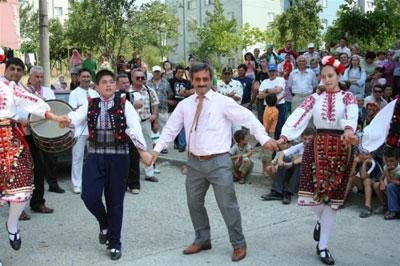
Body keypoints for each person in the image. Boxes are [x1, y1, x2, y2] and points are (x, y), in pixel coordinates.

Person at [151, 63, 278, 262]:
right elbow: (170, 130)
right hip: (194, 163)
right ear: (192, 80)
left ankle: (238, 243)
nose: (201, 83)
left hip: (219, 162)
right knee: (194, 202)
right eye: (197, 80)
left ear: (211, 80)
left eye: (205, 79)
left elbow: (248, 117)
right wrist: (156, 150)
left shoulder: (222, 102)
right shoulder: (185, 105)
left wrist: (263, 138)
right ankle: (203, 239)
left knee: (227, 204)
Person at [61, 69, 152, 260]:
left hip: (119, 157)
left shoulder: (124, 104)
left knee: (115, 202)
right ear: (97, 86)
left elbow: (134, 127)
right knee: (89, 196)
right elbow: (75, 118)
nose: (109, 85)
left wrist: (142, 150)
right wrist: (65, 120)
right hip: (95, 156)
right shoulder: (90, 103)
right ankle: (104, 224)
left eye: (112, 81)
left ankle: (115, 242)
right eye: (104, 82)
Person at [278, 56, 357, 265]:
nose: (327, 80)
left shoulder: (348, 97)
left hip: (342, 146)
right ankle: (321, 221)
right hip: (317, 146)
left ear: (339, 75)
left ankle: (323, 247)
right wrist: (286, 135)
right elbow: (300, 113)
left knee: (333, 202)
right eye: (323, 76)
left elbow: (351, 114)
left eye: (330, 76)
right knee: (311, 196)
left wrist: (349, 129)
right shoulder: (315, 97)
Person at [0, 78, 65, 251]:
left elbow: (32, 103)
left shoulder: (8, 86)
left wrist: (55, 117)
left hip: (9, 141)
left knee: (22, 187)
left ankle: (12, 225)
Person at [262, 128, 315, 204]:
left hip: (309, 173)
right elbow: (283, 152)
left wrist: (292, 163)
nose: (307, 141)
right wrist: (280, 161)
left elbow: (305, 158)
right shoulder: (301, 145)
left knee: (300, 165)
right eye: (305, 139)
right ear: (301, 138)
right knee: (286, 158)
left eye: (309, 139)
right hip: (296, 169)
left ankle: (288, 193)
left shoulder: (315, 147)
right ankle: (277, 192)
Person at [68, 68, 98, 194]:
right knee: (78, 157)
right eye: (83, 76)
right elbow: (73, 111)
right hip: (79, 130)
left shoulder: (95, 93)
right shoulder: (74, 93)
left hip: (94, 130)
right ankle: (77, 184)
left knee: (94, 158)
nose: (86, 78)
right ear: (79, 78)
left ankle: (92, 182)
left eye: (88, 76)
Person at [131, 68, 160, 182]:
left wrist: (155, 117)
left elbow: (155, 104)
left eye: (142, 77)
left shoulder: (149, 90)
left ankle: (149, 173)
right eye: (137, 77)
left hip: (145, 122)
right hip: (131, 125)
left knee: (148, 147)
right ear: (132, 78)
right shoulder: (127, 91)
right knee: (132, 150)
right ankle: (132, 175)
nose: (140, 79)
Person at [344, 151, 383, 218]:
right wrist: (354, 162)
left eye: (367, 154)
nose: (364, 156)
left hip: (377, 189)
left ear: (372, 155)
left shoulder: (373, 163)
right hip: (365, 188)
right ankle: (341, 201)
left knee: (367, 180)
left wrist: (364, 163)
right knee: (351, 178)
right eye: (361, 154)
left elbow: (363, 176)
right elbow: (350, 174)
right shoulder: (359, 161)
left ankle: (368, 207)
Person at [168, 65, 193, 152]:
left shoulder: (186, 82)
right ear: (175, 72)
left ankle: (182, 145)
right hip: (173, 105)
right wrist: (168, 101)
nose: (181, 74)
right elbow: (166, 93)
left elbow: (191, 92)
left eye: (182, 72)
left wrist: (187, 93)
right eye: (179, 72)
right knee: (175, 125)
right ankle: (176, 143)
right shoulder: (170, 81)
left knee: (182, 124)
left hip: (184, 105)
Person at [218, 67, 243, 132]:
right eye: (225, 74)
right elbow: (218, 100)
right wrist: (230, 95)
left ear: (231, 74)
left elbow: (239, 97)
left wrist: (225, 96)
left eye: (228, 74)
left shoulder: (237, 83)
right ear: (222, 75)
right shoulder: (219, 85)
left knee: (237, 134)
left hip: (235, 112)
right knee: (225, 135)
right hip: (224, 114)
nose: (227, 76)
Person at [260, 94, 279, 176]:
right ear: (275, 102)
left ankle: (263, 170)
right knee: (268, 153)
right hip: (269, 132)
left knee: (264, 151)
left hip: (263, 131)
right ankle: (267, 171)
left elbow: (273, 102)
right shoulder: (275, 110)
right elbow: (270, 121)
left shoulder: (267, 107)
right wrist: (267, 132)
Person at [382, 148, 400, 220]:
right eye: (387, 161)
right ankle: (393, 211)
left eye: (392, 161)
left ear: (398, 160)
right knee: (390, 186)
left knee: (390, 186)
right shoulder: (386, 167)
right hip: (396, 191)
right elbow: (382, 178)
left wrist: (387, 171)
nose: (389, 163)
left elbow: (391, 181)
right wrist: (381, 182)